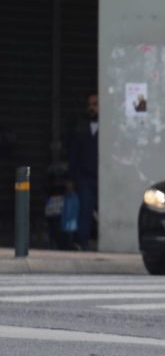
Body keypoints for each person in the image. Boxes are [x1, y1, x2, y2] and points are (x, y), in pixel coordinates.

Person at [68, 93, 99, 250]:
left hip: (104, 177)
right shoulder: (81, 127)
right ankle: (82, 242)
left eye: (95, 104)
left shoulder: (109, 128)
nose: (91, 108)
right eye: (89, 105)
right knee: (85, 210)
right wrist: (71, 178)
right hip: (85, 177)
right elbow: (74, 154)